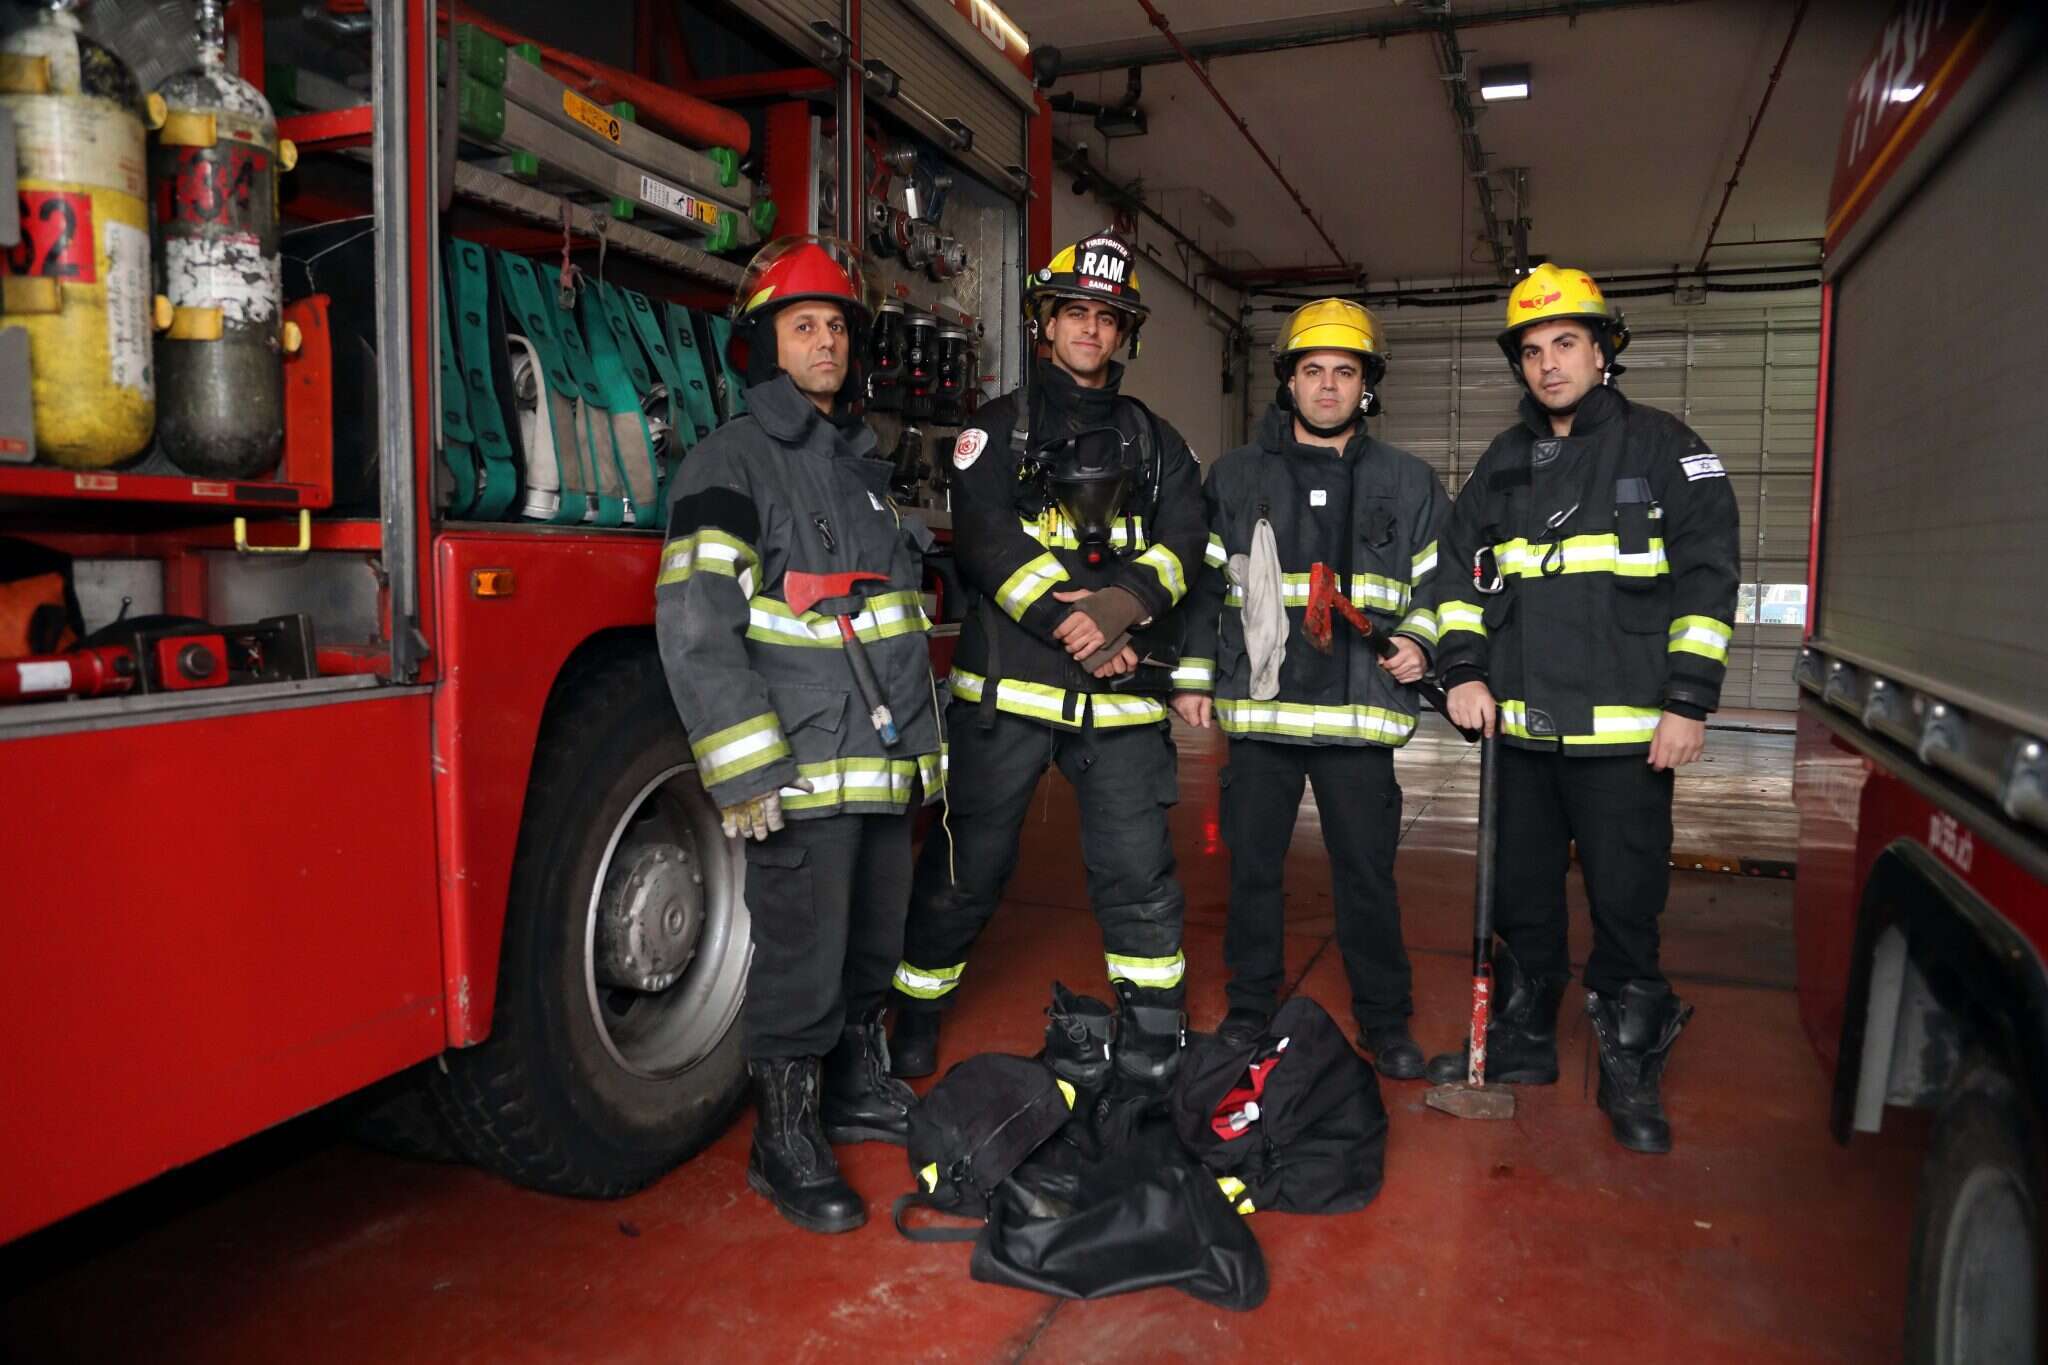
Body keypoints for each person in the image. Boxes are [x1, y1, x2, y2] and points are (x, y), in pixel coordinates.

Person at [655, 237, 942, 1232]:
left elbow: (889, 623)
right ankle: (782, 1142)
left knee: (872, 943)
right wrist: (743, 768)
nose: (826, 342)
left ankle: (854, 1089)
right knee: (800, 959)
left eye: (836, 327)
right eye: (804, 325)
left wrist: (920, 757)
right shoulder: (729, 460)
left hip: (879, 765)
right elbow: (696, 621)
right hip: (802, 767)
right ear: (763, 345)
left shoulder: (860, 467)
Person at [1424, 262, 1739, 1154]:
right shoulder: (1501, 463)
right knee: (1521, 899)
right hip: (1521, 737)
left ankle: (1631, 1062)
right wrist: (1463, 671)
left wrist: (1688, 701)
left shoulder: (1667, 450)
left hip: (1627, 741)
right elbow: (1457, 576)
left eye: (1566, 343)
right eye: (1532, 350)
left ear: (1604, 351)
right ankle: (1524, 1039)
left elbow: (1708, 582)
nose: (1549, 364)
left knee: (1626, 905)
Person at [887, 230, 1207, 1087]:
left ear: (1124, 332)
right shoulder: (994, 433)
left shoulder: (1158, 443)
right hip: (1009, 695)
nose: (1090, 330)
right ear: (1047, 323)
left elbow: (1186, 541)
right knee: (965, 869)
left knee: (1138, 874)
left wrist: (1123, 606)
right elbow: (987, 542)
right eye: (1075, 313)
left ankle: (1155, 1033)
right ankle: (915, 1013)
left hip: (1121, 706)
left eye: (1107, 317)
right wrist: (1079, 624)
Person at [1172, 299, 1448, 1079]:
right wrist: (1193, 675)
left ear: (1367, 385)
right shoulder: (1235, 477)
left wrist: (1421, 642)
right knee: (1253, 870)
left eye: (1345, 372)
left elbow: (1441, 583)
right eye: (1313, 370)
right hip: (1263, 715)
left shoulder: (1409, 481)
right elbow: (1204, 587)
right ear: (1288, 381)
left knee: (1366, 875)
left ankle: (1385, 1019)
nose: (1328, 386)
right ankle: (1249, 1006)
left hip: (1359, 716)